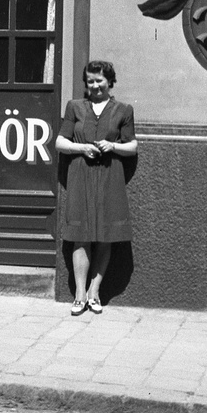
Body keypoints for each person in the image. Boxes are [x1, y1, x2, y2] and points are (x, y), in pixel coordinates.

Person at [54, 60, 137, 315]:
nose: (95, 85)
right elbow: (59, 142)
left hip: (110, 175)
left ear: (109, 82)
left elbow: (132, 146)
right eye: (90, 81)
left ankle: (94, 291)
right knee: (81, 234)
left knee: (105, 234)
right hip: (80, 174)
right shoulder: (75, 107)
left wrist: (112, 146)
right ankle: (79, 293)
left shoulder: (123, 110)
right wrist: (82, 147)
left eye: (99, 80)